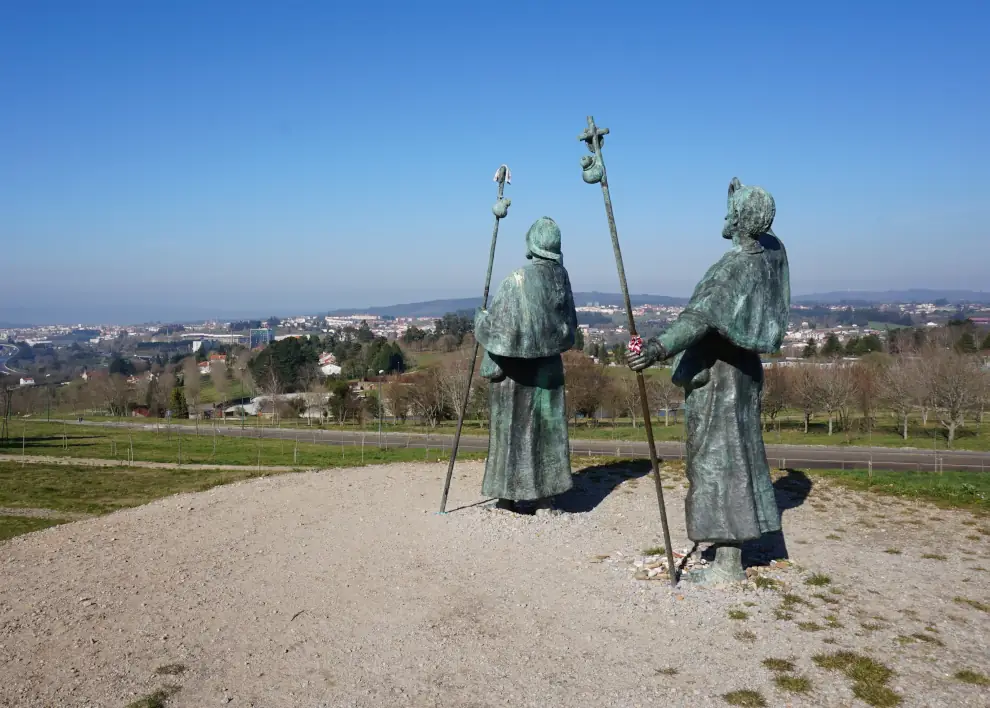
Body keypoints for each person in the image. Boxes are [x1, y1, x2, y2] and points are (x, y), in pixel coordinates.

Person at [627, 178, 790, 585]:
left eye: (729, 212)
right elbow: (764, 236)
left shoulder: (735, 268)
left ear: (740, 221)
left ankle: (729, 564)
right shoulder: (771, 255)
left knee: (720, 463)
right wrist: (738, 200)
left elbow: (700, 318)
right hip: (743, 372)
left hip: (722, 379)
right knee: (737, 458)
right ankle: (732, 550)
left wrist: (656, 348)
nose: (723, 217)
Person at [474, 216, 578, 513]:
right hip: (548, 369)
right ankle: (545, 495)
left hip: (515, 372)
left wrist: (481, 321)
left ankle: (506, 497)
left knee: (511, 434)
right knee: (546, 432)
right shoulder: (561, 277)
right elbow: (569, 325)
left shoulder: (517, 280)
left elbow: (499, 332)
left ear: (532, 245)